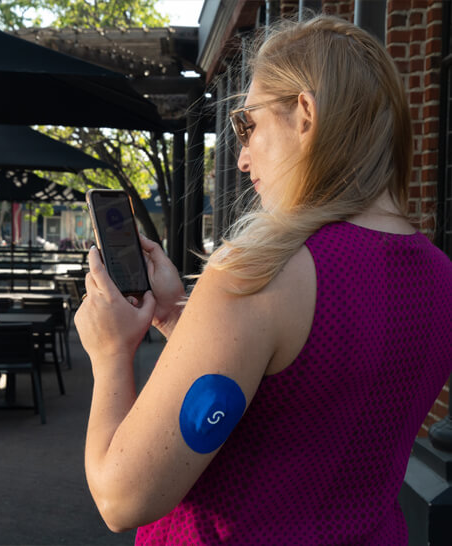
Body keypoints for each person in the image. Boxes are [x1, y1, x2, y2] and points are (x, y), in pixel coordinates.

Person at [74, 14, 452, 545]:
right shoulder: (440, 277)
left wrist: (111, 352)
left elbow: (122, 498)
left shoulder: (258, 273)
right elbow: (301, 392)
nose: (244, 158)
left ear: (305, 113)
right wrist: (175, 314)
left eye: (248, 125)